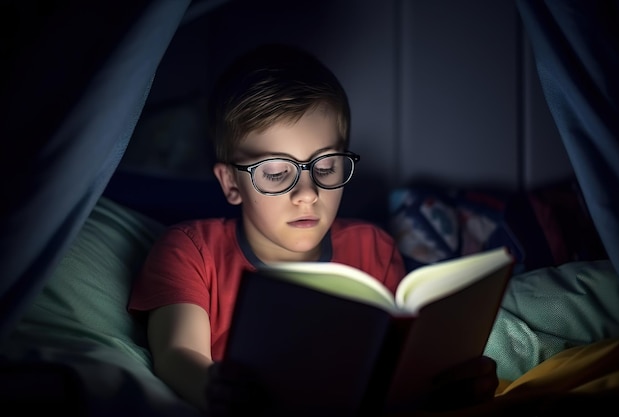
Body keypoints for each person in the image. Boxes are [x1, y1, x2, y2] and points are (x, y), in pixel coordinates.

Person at [127, 43, 498, 416]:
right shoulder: (191, 251)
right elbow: (178, 353)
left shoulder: (373, 249)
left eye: (325, 167)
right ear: (231, 184)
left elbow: (394, 370)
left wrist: (444, 387)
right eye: (275, 172)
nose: (307, 194)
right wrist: (219, 392)